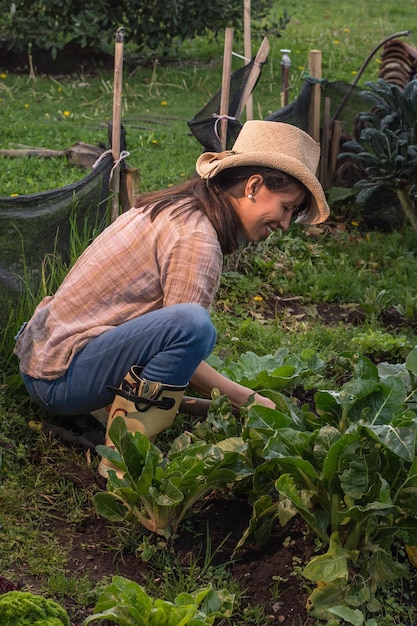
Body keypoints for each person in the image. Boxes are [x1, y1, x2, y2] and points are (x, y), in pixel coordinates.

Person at [14, 120, 330, 477]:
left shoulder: (180, 207)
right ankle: (121, 460)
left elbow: (155, 340)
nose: (286, 224)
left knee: (188, 327)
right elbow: (184, 340)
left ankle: (118, 409)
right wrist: (248, 399)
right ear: (254, 186)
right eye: (286, 208)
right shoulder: (197, 238)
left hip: (46, 359)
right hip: (59, 381)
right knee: (194, 326)